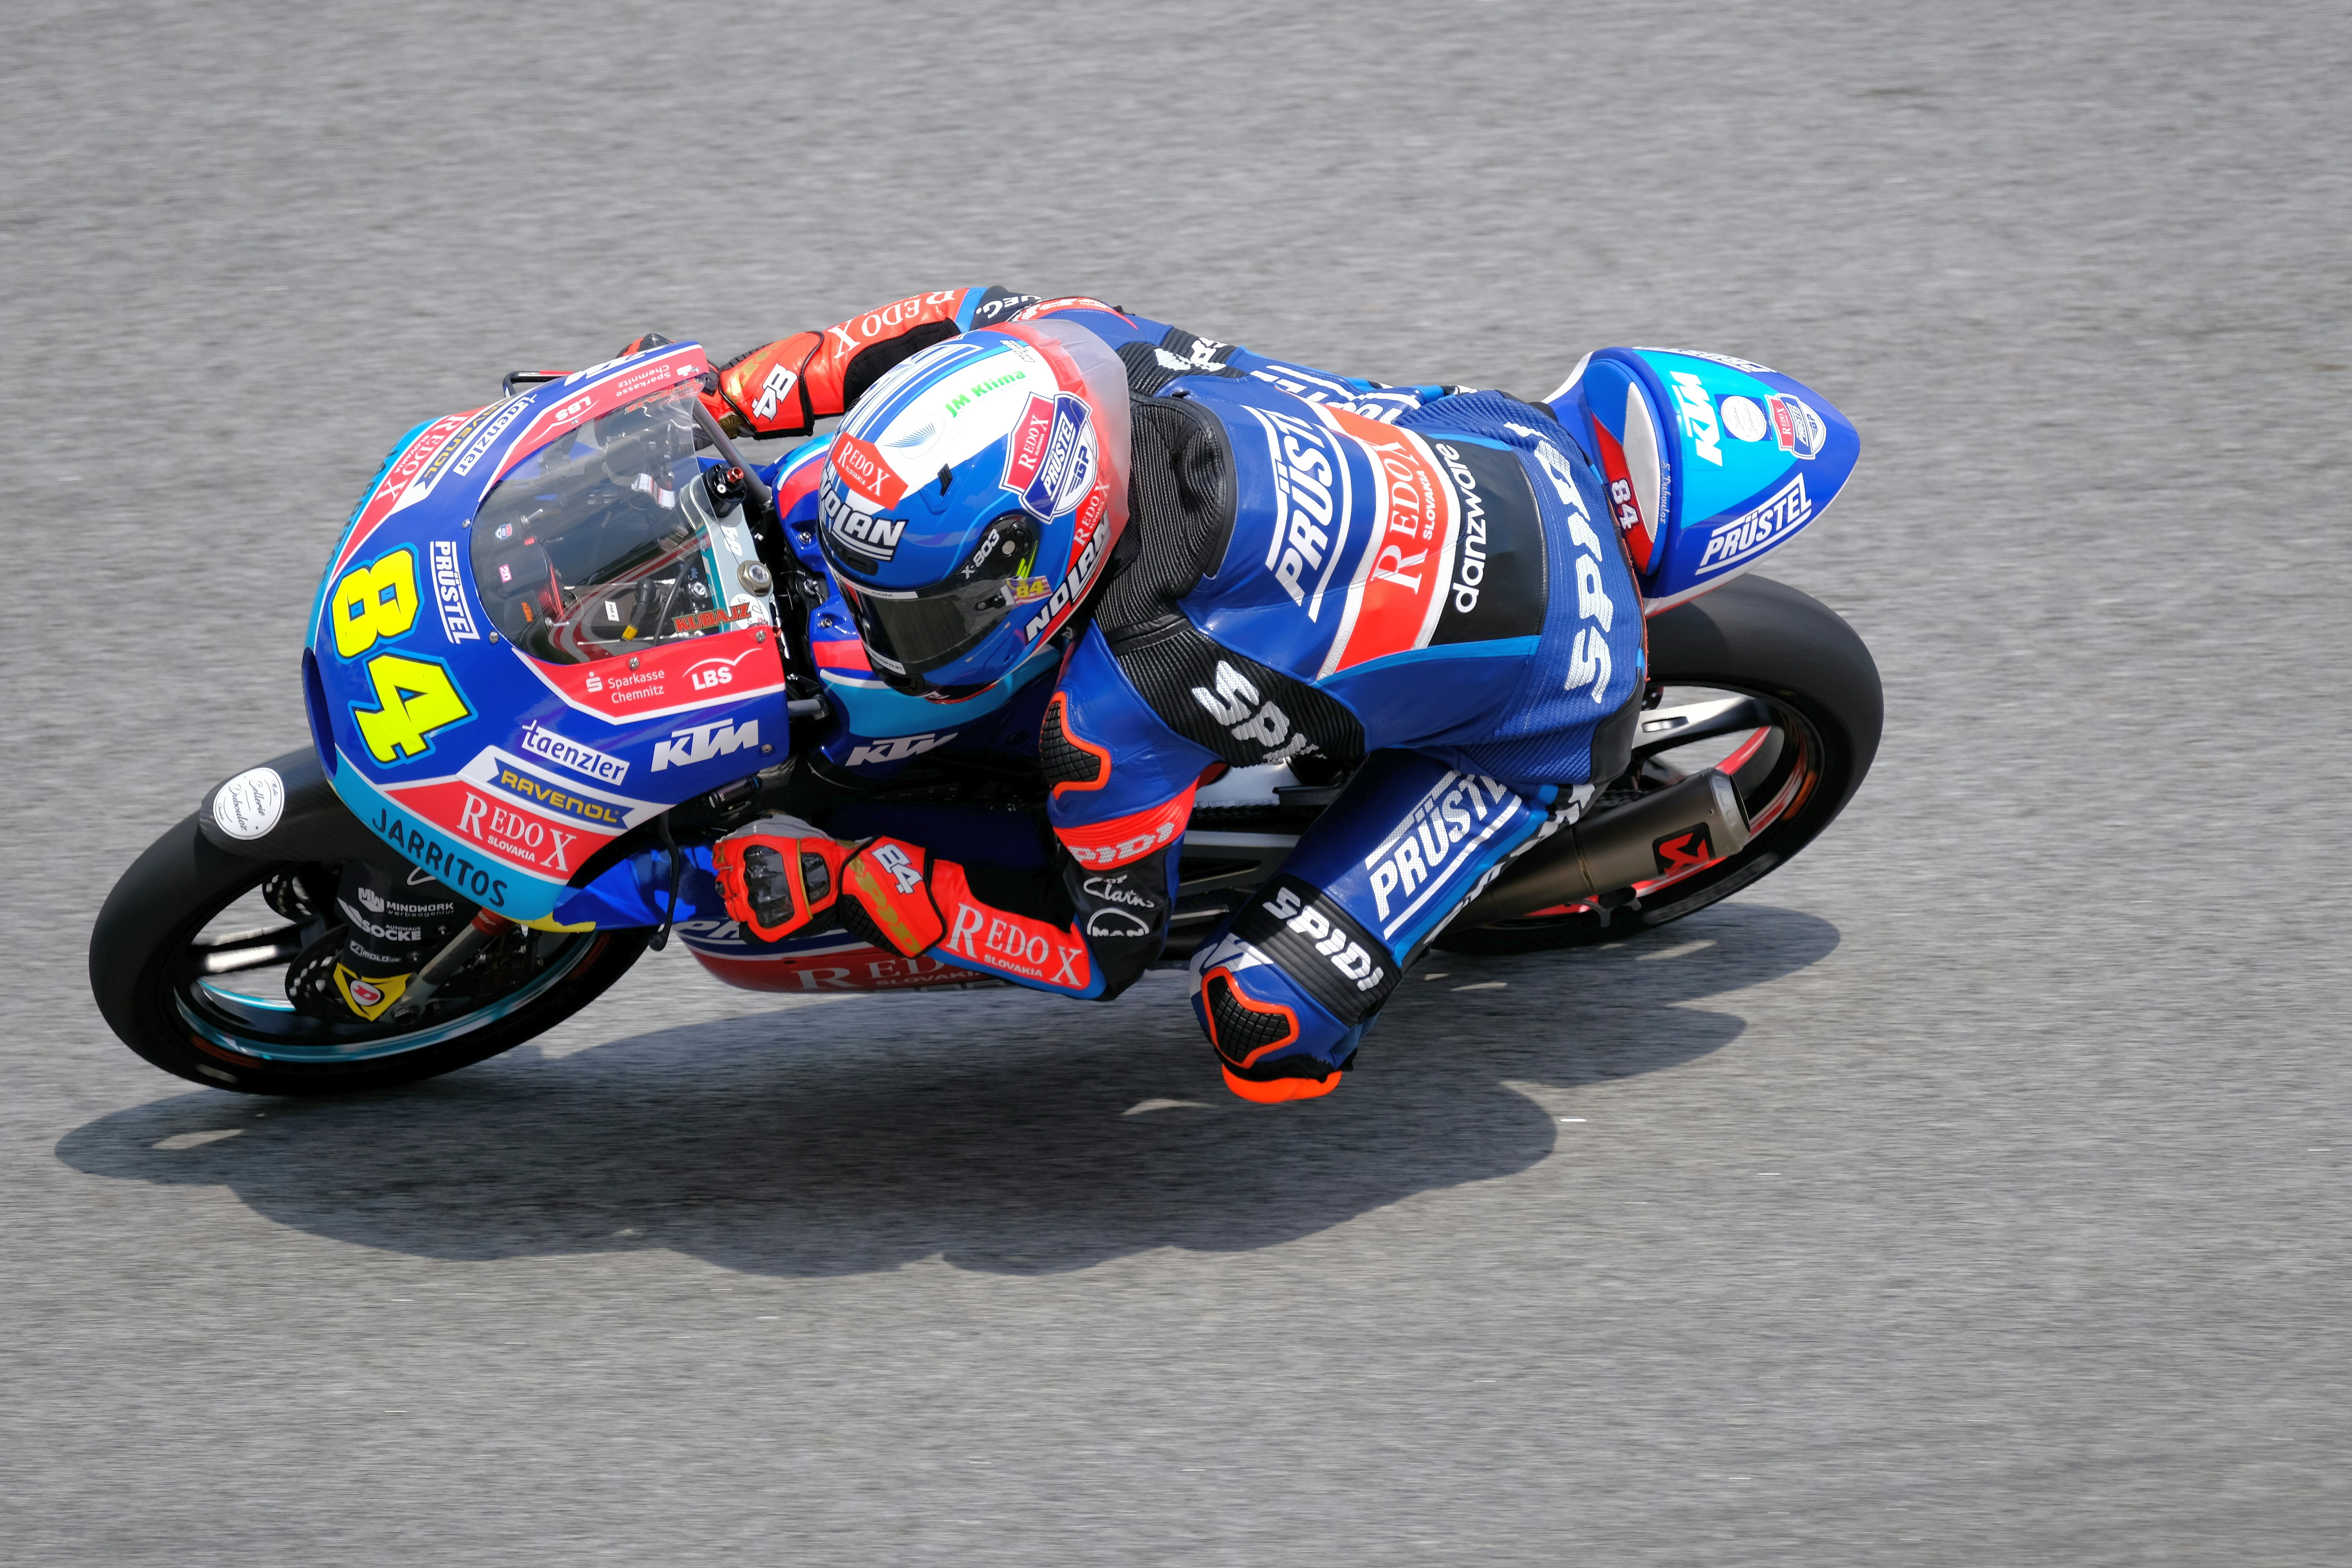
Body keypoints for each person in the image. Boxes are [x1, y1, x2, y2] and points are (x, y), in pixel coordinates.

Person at [700, 288, 1646, 1102]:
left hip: (1560, 686)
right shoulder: (1076, 353)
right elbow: (949, 319)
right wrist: (743, 388)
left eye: (911, 617)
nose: (871, 631)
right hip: (1502, 437)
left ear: (1047, 569)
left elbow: (1102, 951)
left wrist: (910, 896)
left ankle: (1456, 837)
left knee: (1262, 1025)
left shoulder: (1127, 694)